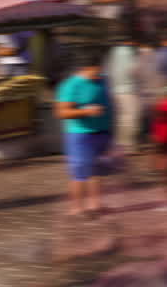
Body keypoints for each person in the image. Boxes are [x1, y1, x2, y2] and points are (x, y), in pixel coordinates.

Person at [56, 53, 113, 216]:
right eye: (97, 69)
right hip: (80, 136)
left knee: (97, 171)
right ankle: (76, 208)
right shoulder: (71, 85)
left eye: (101, 69)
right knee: (80, 173)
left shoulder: (103, 80)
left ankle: (95, 205)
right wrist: (86, 111)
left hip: (102, 133)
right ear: (85, 68)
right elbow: (61, 112)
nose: (99, 72)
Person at [106, 39, 143, 155]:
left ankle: (120, 145)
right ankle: (127, 147)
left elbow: (108, 70)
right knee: (130, 118)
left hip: (114, 89)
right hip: (128, 89)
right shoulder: (128, 52)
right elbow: (133, 71)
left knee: (121, 118)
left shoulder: (113, 51)